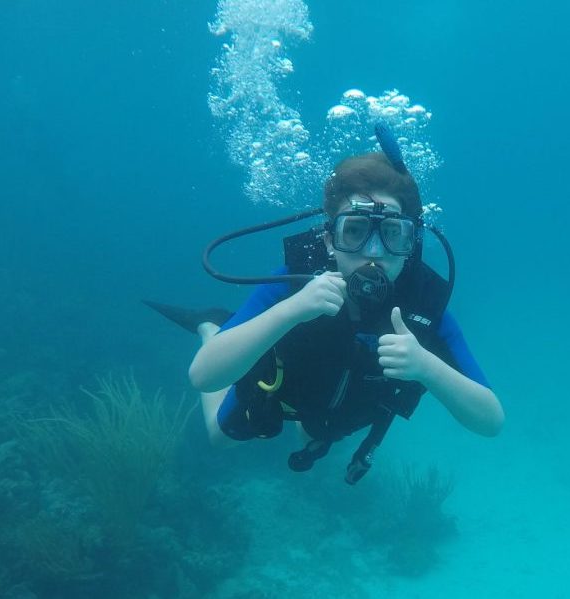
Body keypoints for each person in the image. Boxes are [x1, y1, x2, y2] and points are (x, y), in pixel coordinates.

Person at [186, 143, 503, 484]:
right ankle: (212, 327)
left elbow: (490, 420)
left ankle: (309, 425)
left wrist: (427, 367)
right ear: (328, 241)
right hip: (288, 387)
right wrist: (291, 311)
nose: (374, 251)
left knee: (316, 434)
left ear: (410, 246)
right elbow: (203, 377)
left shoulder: (423, 304)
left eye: (392, 234)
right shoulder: (294, 285)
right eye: (354, 231)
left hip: (339, 409)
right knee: (220, 438)